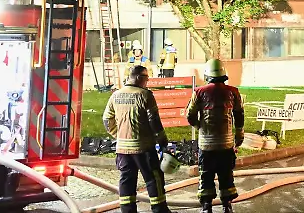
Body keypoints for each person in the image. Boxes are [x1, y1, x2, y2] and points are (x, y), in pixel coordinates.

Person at [102, 65, 172, 213]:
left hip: (122, 149)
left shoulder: (116, 95)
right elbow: (154, 121)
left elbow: (107, 120)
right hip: (144, 148)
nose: (147, 82)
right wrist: (163, 143)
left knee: (127, 180)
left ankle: (127, 210)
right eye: (146, 78)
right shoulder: (145, 95)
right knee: (154, 179)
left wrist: (118, 134)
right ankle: (160, 210)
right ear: (139, 78)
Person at [186, 59, 244, 213]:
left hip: (206, 145)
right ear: (224, 74)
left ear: (207, 75)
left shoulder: (198, 92)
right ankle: (227, 206)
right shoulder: (233, 92)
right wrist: (239, 135)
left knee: (206, 175)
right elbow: (239, 115)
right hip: (226, 144)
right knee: (226, 175)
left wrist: (199, 126)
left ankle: (206, 207)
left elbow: (189, 115)